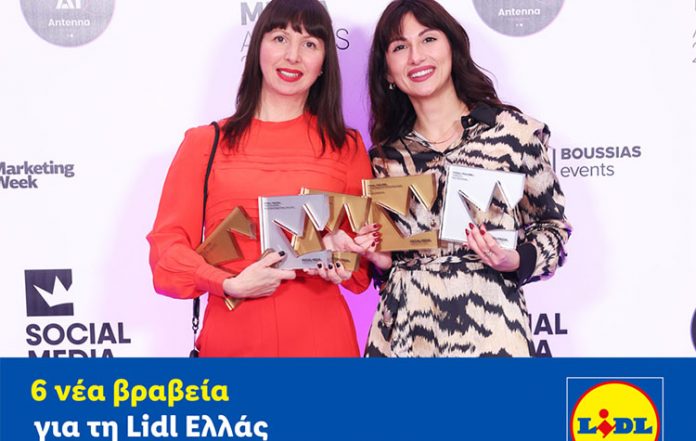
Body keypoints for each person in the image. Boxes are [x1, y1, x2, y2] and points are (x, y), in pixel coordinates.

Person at [147, 0, 373, 357]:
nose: (293, 56)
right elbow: (167, 254)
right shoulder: (205, 143)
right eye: (280, 38)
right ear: (258, 49)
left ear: (324, 64)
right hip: (233, 342)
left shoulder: (346, 145)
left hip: (323, 343)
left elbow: (361, 269)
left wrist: (343, 258)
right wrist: (227, 283)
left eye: (310, 44)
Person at [357, 0, 572, 357]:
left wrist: (515, 260)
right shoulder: (383, 158)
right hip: (404, 339)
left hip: (492, 334)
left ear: (453, 48)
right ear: (387, 73)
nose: (416, 57)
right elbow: (386, 266)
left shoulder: (512, 133)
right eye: (400, 47)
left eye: (428, 39)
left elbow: (553, 229)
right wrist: (381, 261)